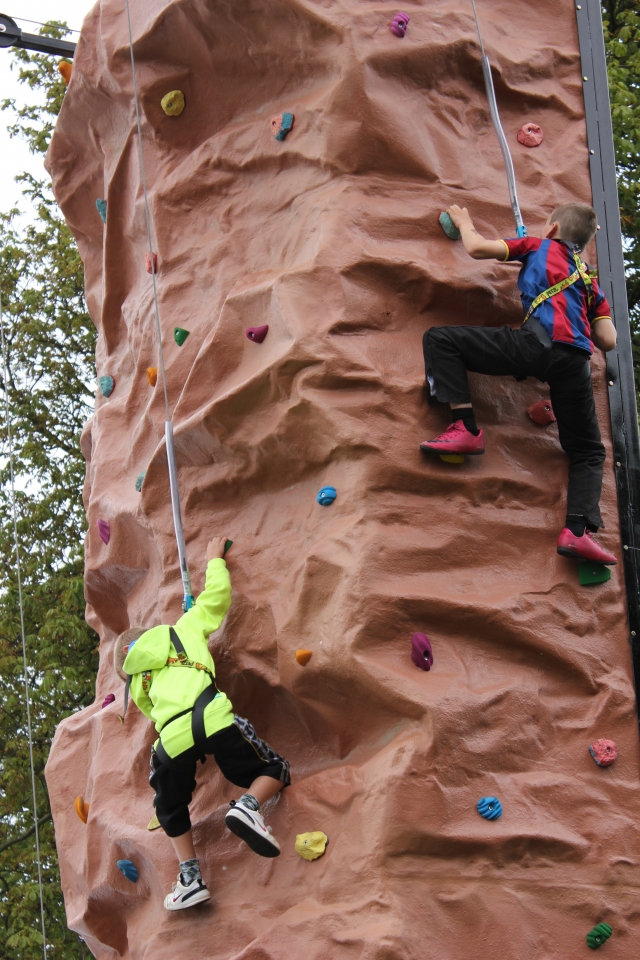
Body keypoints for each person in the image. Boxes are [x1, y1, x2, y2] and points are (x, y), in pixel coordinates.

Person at [420, 202, 618, 566]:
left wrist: (464, 220)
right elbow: (608, 340)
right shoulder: (591, 282)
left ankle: (464, 425)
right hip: (575, 363)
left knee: (440, 340)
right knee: (589, 451)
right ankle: (577, 531)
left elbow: (478, 248)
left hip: (537, 345)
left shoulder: (536, 246)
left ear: (554, 229)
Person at [113, 536, 290, 911]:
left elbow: (153, 713)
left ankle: (190, 877)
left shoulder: (139, 682)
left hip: (171, 742)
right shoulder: (183, 628)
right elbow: (217, 596)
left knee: (170, 806)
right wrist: (214, 560)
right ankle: (248, 806)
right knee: (274, 768)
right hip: (210, 715)